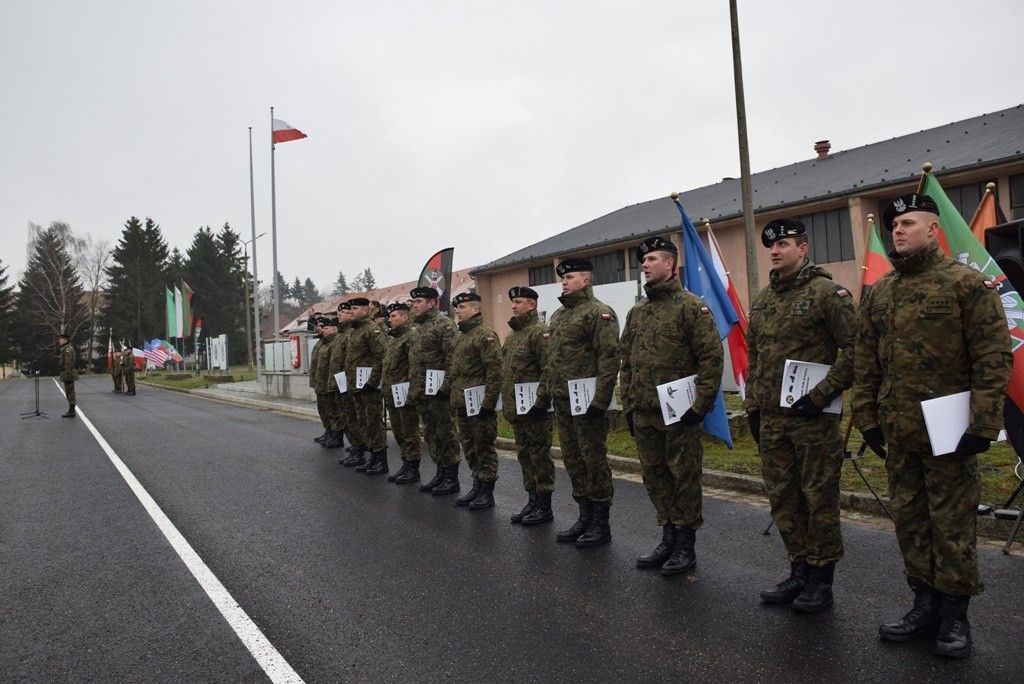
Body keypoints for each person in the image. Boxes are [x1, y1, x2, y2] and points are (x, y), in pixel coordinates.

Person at [852, 193, 1012, 658]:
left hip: (951, 434)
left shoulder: (965, 285)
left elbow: (992, 357)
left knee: (952, 525)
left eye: (907, 222)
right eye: (893, 225)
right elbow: (866, 362)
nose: (897, 231)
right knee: (911, 523)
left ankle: (955, 616)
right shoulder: (882, 292)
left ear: (932, 228)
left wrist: (983, 425)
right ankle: (923, 606)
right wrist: (868, 421)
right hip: (899, 434)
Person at [744, 219, 856, 610]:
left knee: (818, 497)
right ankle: (798, 570)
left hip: (813, 419)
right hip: (773, 419)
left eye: (785, 244)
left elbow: (858, 349)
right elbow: (755, 358)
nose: (776, 251)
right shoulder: (763, 300)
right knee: (784, 498)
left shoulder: (827, 293)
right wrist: (753, 407)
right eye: (771, 246)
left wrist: (822, 393)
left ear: (803, 249)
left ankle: (821, 579)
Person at [620, 236, 723, 575]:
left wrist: (700, 405)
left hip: (680, 412)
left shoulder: (691, 307)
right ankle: (667, 535)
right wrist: (629, 406)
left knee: (684, 477)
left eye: (652, 259)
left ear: (670, 264)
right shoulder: (637, 312)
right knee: (655, 477)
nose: (645, 265)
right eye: (643, 260)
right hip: (645, 412)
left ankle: (685, 544)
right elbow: (627, 363)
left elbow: (710, 358)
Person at [543, 257, 619, 547]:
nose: (564, 281)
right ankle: (584, 516)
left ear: (586, 281)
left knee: (593, 460)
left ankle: (601, 522)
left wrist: (600, 400)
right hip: (563, 402)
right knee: (573, 460)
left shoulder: (599, 313)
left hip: (588, 403)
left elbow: (609, 358)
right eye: (563, 277)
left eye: (570, 276)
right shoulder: (559, 317)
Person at [501, 285, 555, 525]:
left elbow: (548, 369)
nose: (514, 306)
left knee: (539, 456)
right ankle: (532, 501)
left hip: (535, 409)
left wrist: (541, 401)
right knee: (524, 455)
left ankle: (544, 506)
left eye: (519, 302)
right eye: (513, 302)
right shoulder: (513, 336)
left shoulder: (539, 333)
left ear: (532, 305)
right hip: (518, 409)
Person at [448, 291, 503, 510]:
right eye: (457, 308)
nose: (458, 312)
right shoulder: (462, 337)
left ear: (476, 309)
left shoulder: (485, 335)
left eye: (462, 308)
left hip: (479, 403)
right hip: (462, 402)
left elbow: (495, 372)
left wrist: (488, 404)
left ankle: (486, 492)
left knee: (483, 447)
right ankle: (476, 484)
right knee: (469, 446)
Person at [406, 286, 461, 495]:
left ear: (432, 303)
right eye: (413, 303)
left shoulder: (444, 324)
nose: (414, 306)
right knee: (431, 434)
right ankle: (440, 472)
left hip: (439, 391)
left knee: (446, 433)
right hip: (422, 391)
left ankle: (451, 477)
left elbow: (452, 358)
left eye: (418, 302)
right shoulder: (417, 328)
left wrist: (445, 387)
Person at [344, 297, 389, 475]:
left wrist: (372, 381)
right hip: (357, 386)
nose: (351, 312)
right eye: (350, 309)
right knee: (363, 422)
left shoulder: (372, 330)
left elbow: (382, 357)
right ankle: (372, 457)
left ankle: (380, 460)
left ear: (365, 311)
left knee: (374, 423)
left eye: (354, 309)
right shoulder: (354, 331)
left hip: (369, 387)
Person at [382, 302, 423, 484]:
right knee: (398, 431)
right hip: (392, 391)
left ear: (405, 317)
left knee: (409, 431)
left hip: (405, 391)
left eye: (394, 316)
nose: (390, 320)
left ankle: (413, 468)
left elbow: (415, 367)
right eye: (389, 317)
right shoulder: (393, 339)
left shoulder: (411, 336)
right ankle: (406, 464)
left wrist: (411, 392)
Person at [307, 315, 333, 445]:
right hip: (320, 382)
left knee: (331, 410)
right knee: (323, 409)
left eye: (321, 326)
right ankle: (328, 431)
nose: (318, 328)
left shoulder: (331, 343)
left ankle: (335, 435)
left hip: (328, 383)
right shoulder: (320, 343)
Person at [58, 331, 77, 417]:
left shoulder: (68, 350)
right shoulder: (65, 349)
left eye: (61, 339)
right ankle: (71, 410)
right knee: (69, 392)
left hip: (68, 373)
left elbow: (68, 364)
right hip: (66, 373)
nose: (59, 341)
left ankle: (72, 411)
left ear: (65, 340)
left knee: (70, 392)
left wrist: (67, 375)